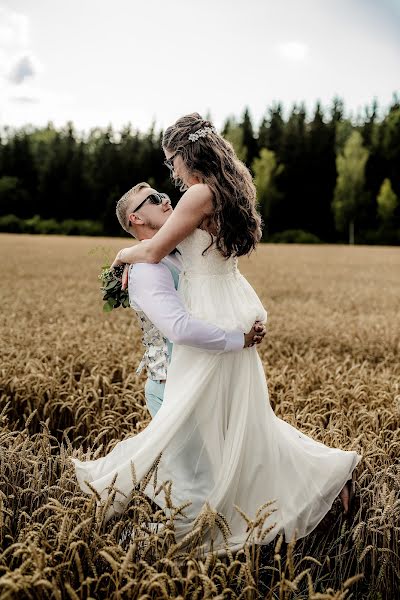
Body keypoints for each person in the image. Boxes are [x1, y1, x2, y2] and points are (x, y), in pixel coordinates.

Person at [71, 113, 361, 555]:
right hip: (225, 305)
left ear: (189, 154)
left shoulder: (198, 194)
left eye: (172, 163)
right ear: (135, 215)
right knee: (242, 424)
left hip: (211, 317)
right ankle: (320, 481)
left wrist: (119, 257)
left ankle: (193, 515)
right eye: (157, 191)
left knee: (212, 428)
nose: (172, 177)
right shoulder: (224, 188)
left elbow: (152, 250)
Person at [116, 181, 266, 418]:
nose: (165, 200)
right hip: (171, 389)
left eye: (163, 195)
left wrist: (247, 322)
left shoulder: (185, 255)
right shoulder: (146, 269)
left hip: (199, 381)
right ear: (136, 218)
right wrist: (238, 339)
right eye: (154, 199)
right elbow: (178, 328)